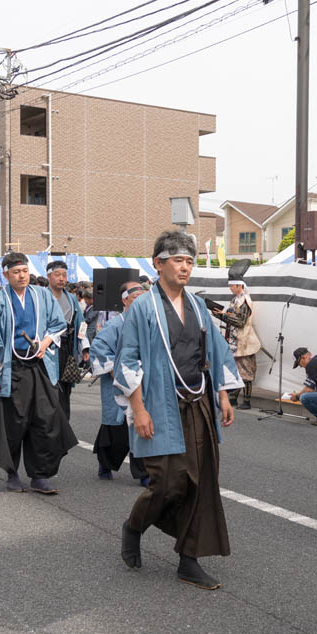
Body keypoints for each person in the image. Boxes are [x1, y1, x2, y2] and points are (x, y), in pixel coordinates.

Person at [117, 231, 242, 591]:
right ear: (158, 264)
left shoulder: (199, 306)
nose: (185, 267)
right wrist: (138, 409)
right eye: (178, 260)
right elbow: (128, 360)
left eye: (189, 261)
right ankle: (134, 526)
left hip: (197, 402)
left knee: (200, 481)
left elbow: (214, 352)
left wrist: (222, 395)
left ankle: (189, 560)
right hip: (158, 403)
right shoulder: (143, 306)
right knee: (168, 482)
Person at [0, 252, 78, 494]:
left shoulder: (42, 295)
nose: (21, 276)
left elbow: (58, 323)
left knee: (46, 420)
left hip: (39, 367)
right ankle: (12, 472)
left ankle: (40, 475)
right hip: (10, 369)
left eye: (24, 271)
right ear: (6, 275)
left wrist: (46, 341)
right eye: (16, 272)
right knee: (13, 423)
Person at [89, 278, 149, 482]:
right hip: (118, 382)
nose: (140, 303)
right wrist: (118, 373)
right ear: (125, 301)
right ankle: (105, 464)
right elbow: (99, 348)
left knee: (142, 425)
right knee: (116, 429)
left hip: (143, 382)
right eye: (135, 298)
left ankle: (144, 473)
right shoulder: (114, 325)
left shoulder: (150, 323)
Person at [214, 262, 262, 410]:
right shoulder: (236, 300)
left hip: (245, 341)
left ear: (239, 285)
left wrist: (224, 316)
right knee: (235, 370)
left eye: (232, 285)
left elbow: (240, 322)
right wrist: (223, 315)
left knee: (246, 373)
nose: (230, 288)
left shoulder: (245, 300)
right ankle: (233, 398)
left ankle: (246, 401)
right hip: (236, 341)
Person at [45, 260, 88, 418]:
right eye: (57, 275)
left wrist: (85, 347)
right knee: (50, 387)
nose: (61, 278)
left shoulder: (71, 299)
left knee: (65, 387)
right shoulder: (42, 296)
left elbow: (81, 324)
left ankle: (63, 425)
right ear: (48, 276)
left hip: (68, 347)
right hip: (49, 349)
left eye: (64, 275)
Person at [288, 346, 317, 425]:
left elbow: (309, 389)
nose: (301, 366)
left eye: (299, 364)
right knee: (306, 395)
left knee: (304, 397)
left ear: (303, 358)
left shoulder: (311, 364)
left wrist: (297, 396)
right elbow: (313, 388)